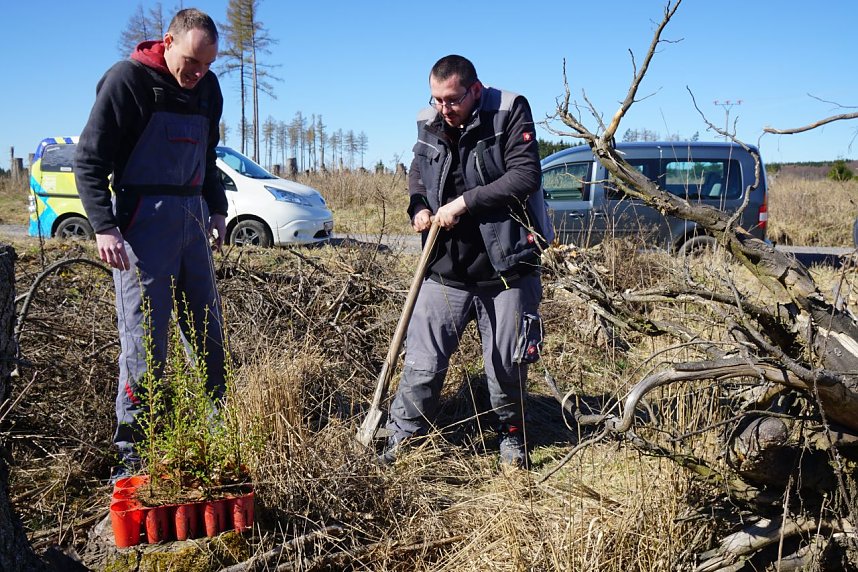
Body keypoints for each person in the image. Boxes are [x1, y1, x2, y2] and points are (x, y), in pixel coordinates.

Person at [74, 8, 228, 480]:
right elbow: (89, 161)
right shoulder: (128, 81)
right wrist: (104, 226)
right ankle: (135, 448)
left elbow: (208, 154)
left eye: (207, 65)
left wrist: (217, 208)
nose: (197, 74)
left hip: (194, 223)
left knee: (207, 333)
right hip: (143, 228)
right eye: (190, 62)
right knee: (145, 344)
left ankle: (218, 429)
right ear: (167, 42)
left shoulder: (208, 89)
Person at [382, 55, 553, 468]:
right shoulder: (429, 120)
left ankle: (511, 436)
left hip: (507, 266)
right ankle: (402, 438)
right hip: (444, 269)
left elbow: (525, 176)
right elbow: (418, 173)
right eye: (437, 99)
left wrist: (462, 203)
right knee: (423, 362)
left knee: (505, 365)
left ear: (475, 89)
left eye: (453, 99)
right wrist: (419, 206)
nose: (445, 108)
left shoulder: (509, 111)